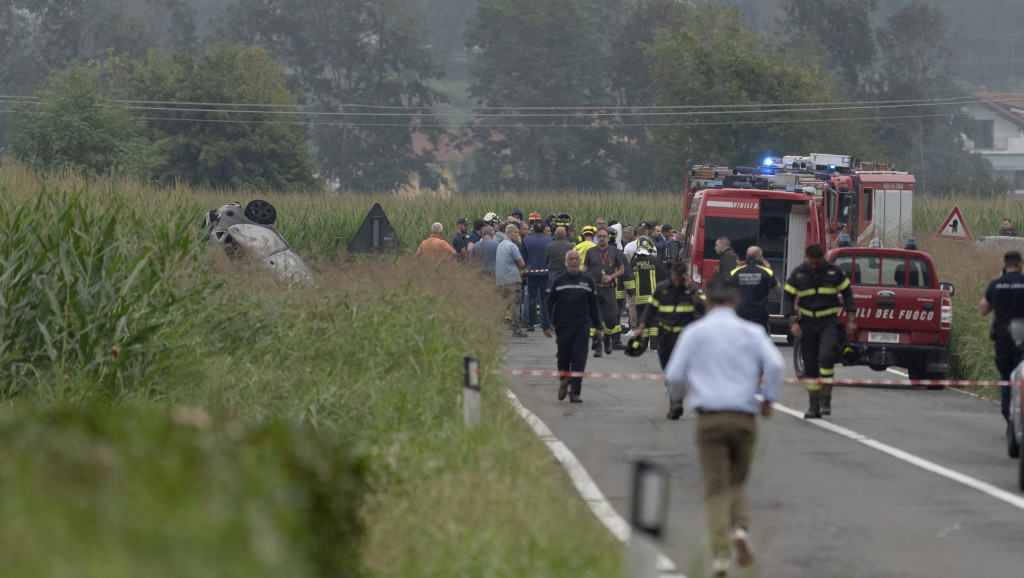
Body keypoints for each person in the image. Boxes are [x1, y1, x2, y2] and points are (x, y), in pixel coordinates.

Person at [664, 278, 783, 577]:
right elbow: (777, 366)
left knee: (715, 487)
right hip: (744, 418)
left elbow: (675, 373)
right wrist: (768, 399)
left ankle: (720, 555)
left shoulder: (695, 332)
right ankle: (740, 529)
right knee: (738, 481)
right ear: (736, 302)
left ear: (707, 303)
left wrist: (683, 395)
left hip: (710, 419)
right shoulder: (751, 331)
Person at [783, 244, 857, 419]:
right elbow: (788, 297)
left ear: (822, 258)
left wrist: (851, 319)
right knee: (810, 367)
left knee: (826, 356)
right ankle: (813, 406)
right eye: (811, 263)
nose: (814, 266)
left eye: (817, 263)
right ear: (806, 258)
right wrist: (792, 322)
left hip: (828, 322)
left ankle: (825, 401)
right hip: (807, 324)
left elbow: (847, 294)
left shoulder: (834, 272)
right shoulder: (798, 273)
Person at [636, 263, 706, 419]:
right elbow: (650, 309)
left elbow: (702, 308)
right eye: (675, 278)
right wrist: (641, 326)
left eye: (679, 279)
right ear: (672, 275)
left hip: (684, 338)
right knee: (668, 370)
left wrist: (690, 290)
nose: (676, 282)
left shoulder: (691, 288)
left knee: (679, 371)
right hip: (665, 337)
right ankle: (675, 397)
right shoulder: (662, 288)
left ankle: (676, 401)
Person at [544, 250, 603, 403]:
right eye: (571, 259)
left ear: (580, 261)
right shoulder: (558, 280)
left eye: (577, 259)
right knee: (563, 356)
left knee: (579, 359)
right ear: (566, 261)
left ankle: (575, 392)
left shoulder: (588, 281)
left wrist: (598, 326)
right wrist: (546, 325)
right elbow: (548, 303)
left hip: (582, 326)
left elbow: (593, 305)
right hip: (563, 326)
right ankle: (564, 380)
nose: (574, 261)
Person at [979, 250, 1024, 423]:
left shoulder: (997, 284)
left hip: (1003, 339)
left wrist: (1000, 277)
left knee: (1006, 377)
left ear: (1005, 265)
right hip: (1022, 340)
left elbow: (984, 309)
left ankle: (1008, 413)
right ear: (1021, 264)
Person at [583, 227, 628, 355]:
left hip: (609, 290)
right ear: (597, 238)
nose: (602, 238)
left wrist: (611, 277)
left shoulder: (615, 252)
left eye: (604, 236)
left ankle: (607, 338)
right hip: (595, 289)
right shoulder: (591, 252)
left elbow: (622, 270)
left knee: (611, 318)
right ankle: (598, 346)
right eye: (600, 236)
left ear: (608, 238)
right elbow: (585, 269)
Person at [729, 246, 780, 333]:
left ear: (747, 256)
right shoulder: (766, 272)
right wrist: (769, 269)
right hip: (759, 315)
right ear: (759, 258)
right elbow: (778, 289)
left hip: (740, 314)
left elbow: (728, 291)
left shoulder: (735, 272)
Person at [629, 236, 668, 350]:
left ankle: (644, 343)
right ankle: (654, 345)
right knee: (654, 322)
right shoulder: (655, 261)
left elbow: (629, 279)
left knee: (642, 321)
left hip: (639, 299)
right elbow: (663, 278)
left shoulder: (634, 263)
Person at [496, 224, 527, 337]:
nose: (517, 235)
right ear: (508, 233)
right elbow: (522, 263)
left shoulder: (500, 245)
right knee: (515, 304)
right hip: (512, 279)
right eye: (515, 232)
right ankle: (516, 329)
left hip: (500, 279)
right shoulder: (512, 246)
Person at [523, 220, 554, 331]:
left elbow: (524, 257)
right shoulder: (549, 240)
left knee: (532, 298)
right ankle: (545, 323)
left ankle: (531, 324)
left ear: (534, 229)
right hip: (545, 272)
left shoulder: (526, 240)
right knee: (545, 298)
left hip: (531, 273)